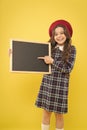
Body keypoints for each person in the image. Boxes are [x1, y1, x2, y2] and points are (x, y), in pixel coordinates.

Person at [35, 19, 76, 130]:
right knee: (46, 113)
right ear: (53, 36)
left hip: (60, 87)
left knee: (59, 116)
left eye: (62, 33)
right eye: (56, 34)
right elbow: (34, 58)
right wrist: (15, 54)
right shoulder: (49, 48)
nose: (59, 36)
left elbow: (68, 69)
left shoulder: (71, 49)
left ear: (67, 34)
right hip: (47, 84)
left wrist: (52, 61)